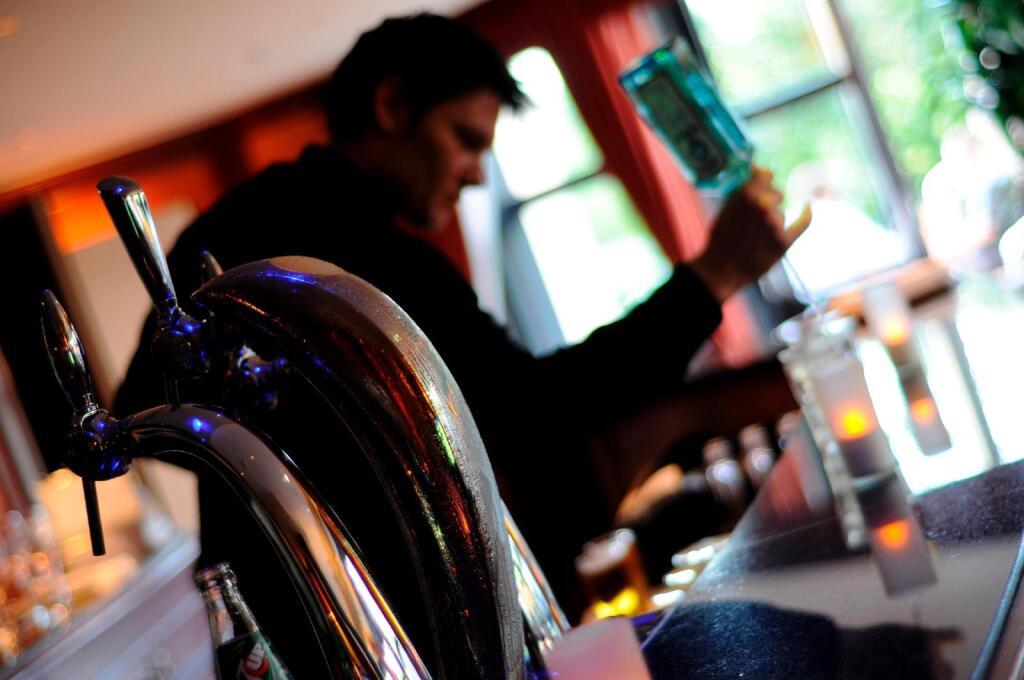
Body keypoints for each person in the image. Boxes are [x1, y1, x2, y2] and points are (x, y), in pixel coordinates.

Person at [115, 13, 808, 675]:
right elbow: (539, 406)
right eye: (466, 139)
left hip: (270, 624)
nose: (476, 173)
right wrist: (711, 279)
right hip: (365, 630)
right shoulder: (372, 255)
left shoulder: (235, 221)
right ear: (392, 107)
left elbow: (147, 405)